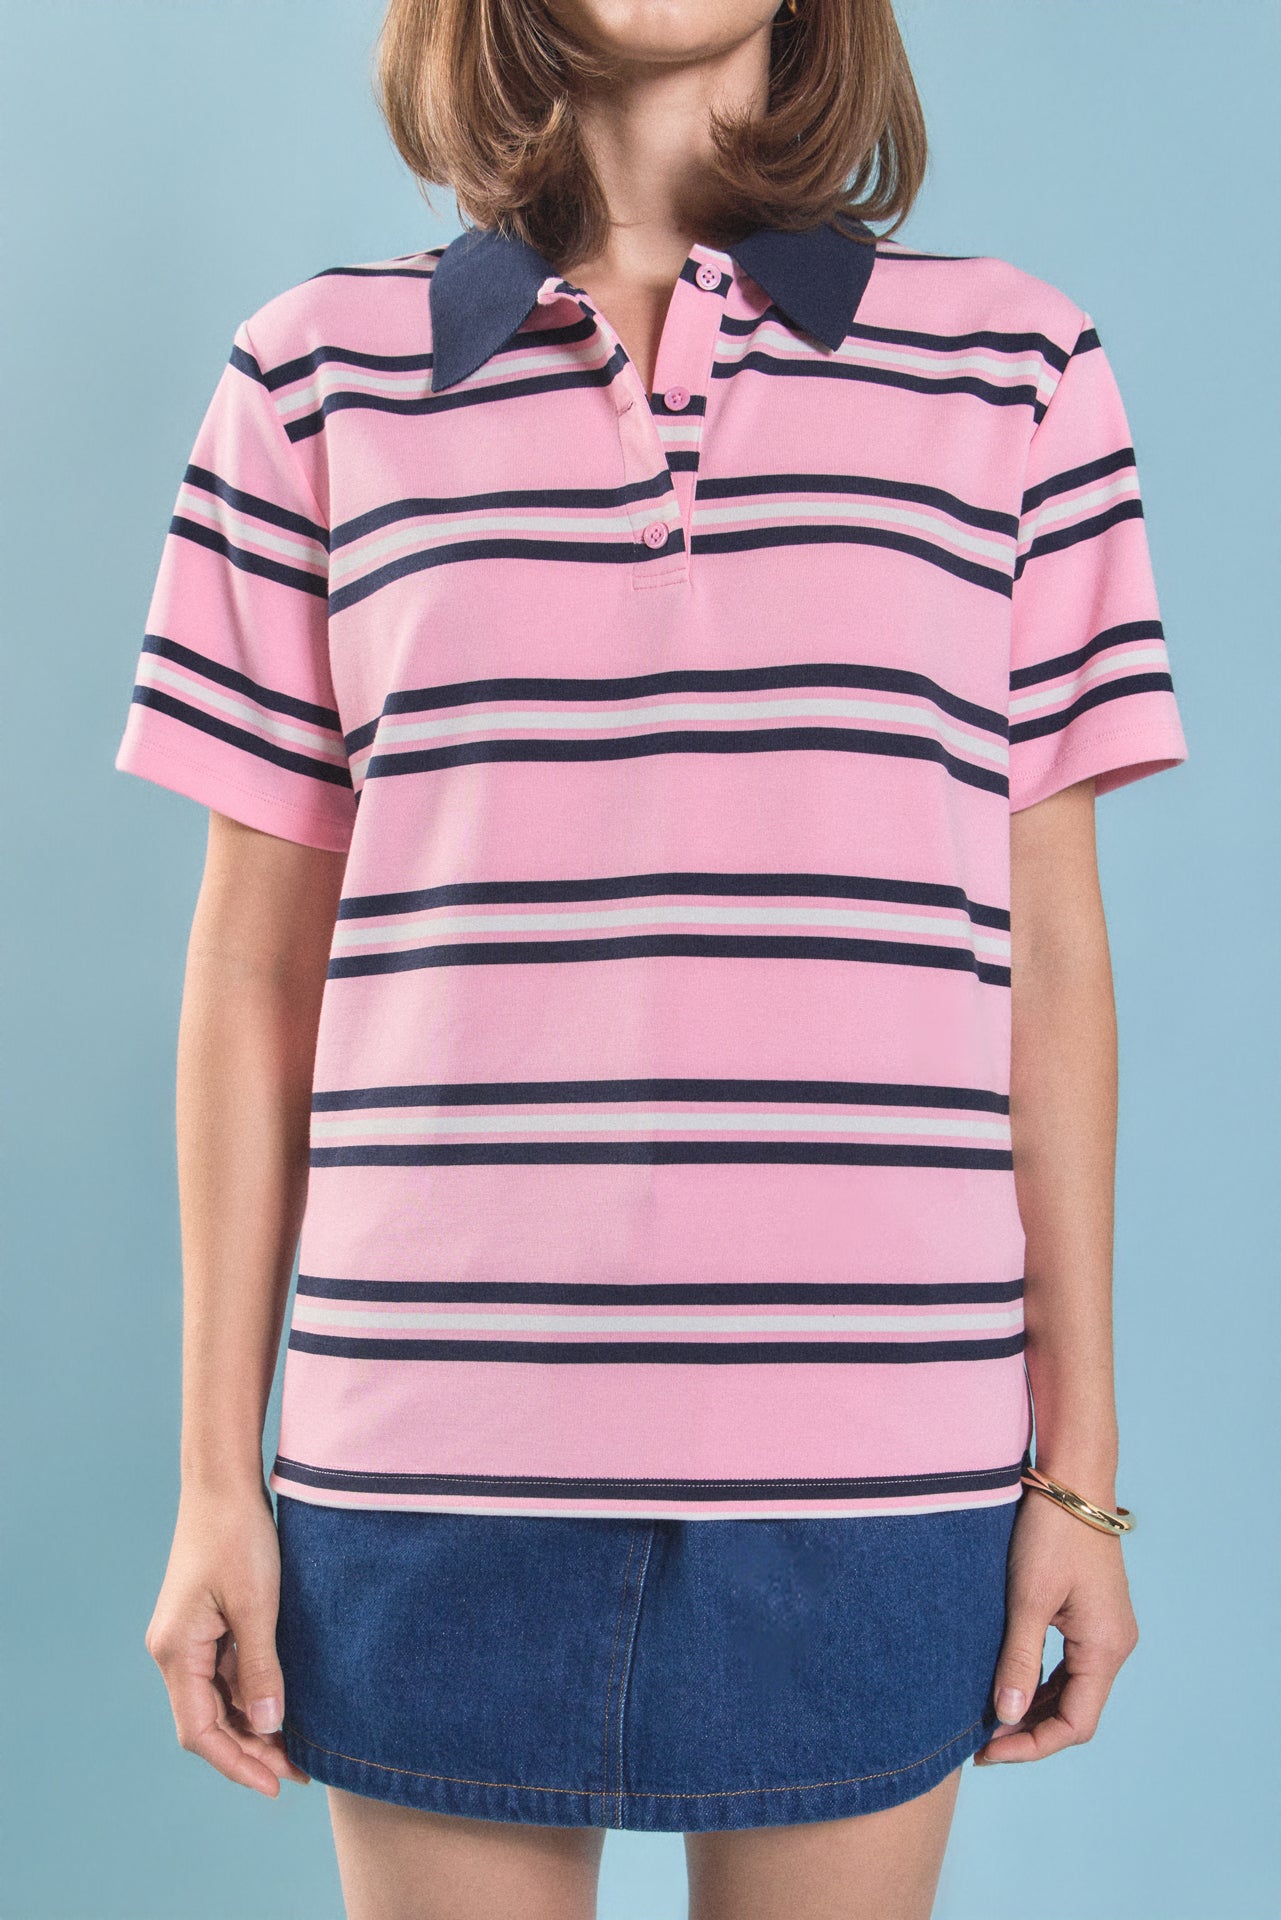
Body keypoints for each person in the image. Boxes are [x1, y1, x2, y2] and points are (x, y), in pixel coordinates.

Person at [115, 1, 1188, 1915]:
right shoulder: (310, 378)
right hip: (426, 1458)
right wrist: (216, 1477)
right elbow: (253, 972)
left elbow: (1046, 955)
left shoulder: (1016, 367)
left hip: (876, 1458)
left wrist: (1077, 1476)